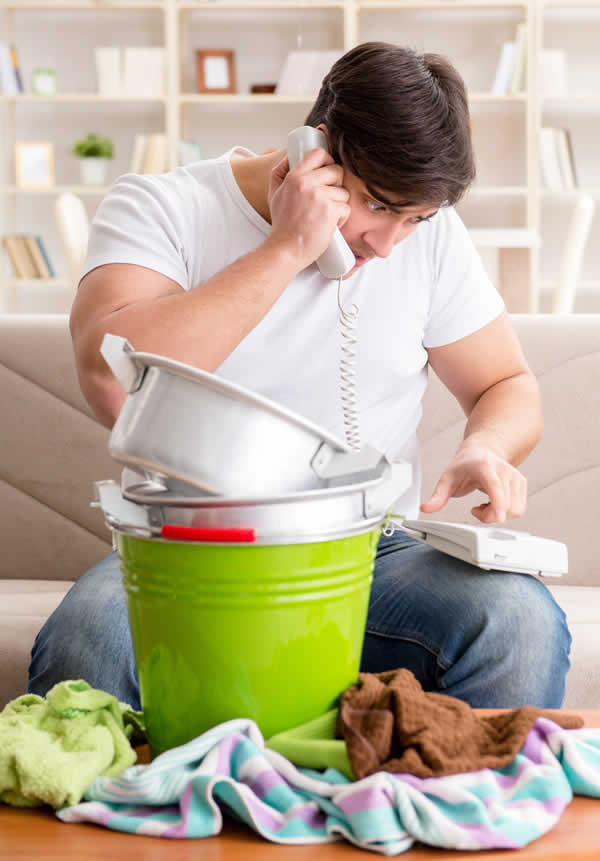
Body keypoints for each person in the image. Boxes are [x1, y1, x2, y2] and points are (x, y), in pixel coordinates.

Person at [29, 42, 570, 710]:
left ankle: (453, 811)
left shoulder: (429, 240)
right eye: (377, 204)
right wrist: (285, 249)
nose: (387, 243)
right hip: (192, 551)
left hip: (373, 553)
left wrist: (486, 446)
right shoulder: (160, 208)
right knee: (87, 640)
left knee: (519, 620)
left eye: (416, 217)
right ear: (315, 149)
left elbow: (507, 384)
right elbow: (111, 380)